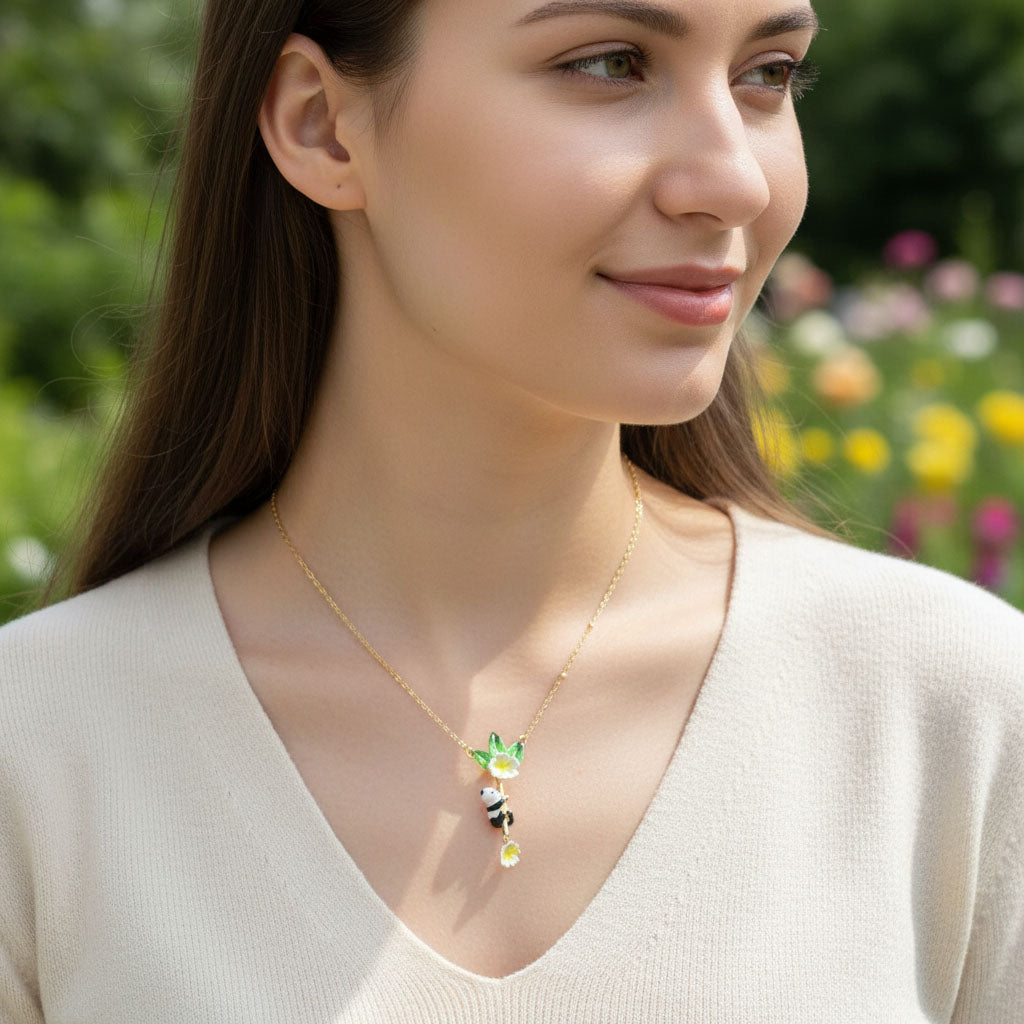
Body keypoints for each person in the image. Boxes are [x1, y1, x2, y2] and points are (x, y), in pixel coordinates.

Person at [1, 0, 1021, 1020]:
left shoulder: (951, 717)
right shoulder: (42, 754)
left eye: (767, 75)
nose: (735, 180)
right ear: (321, 123)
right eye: (610, 63)